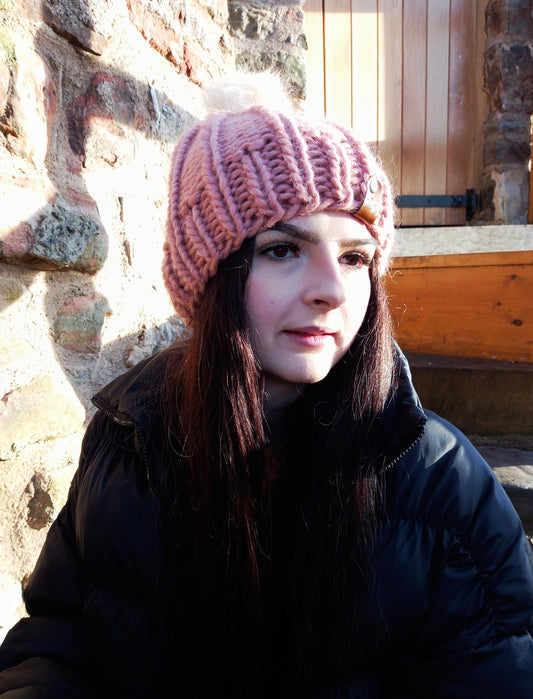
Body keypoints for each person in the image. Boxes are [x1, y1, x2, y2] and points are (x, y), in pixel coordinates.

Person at [0, 74, 532, 698]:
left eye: (356, 257)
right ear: (209, 278)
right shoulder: (128, 440)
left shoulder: (444, 489)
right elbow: (62, 636)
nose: (330, 290)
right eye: (283, 250)